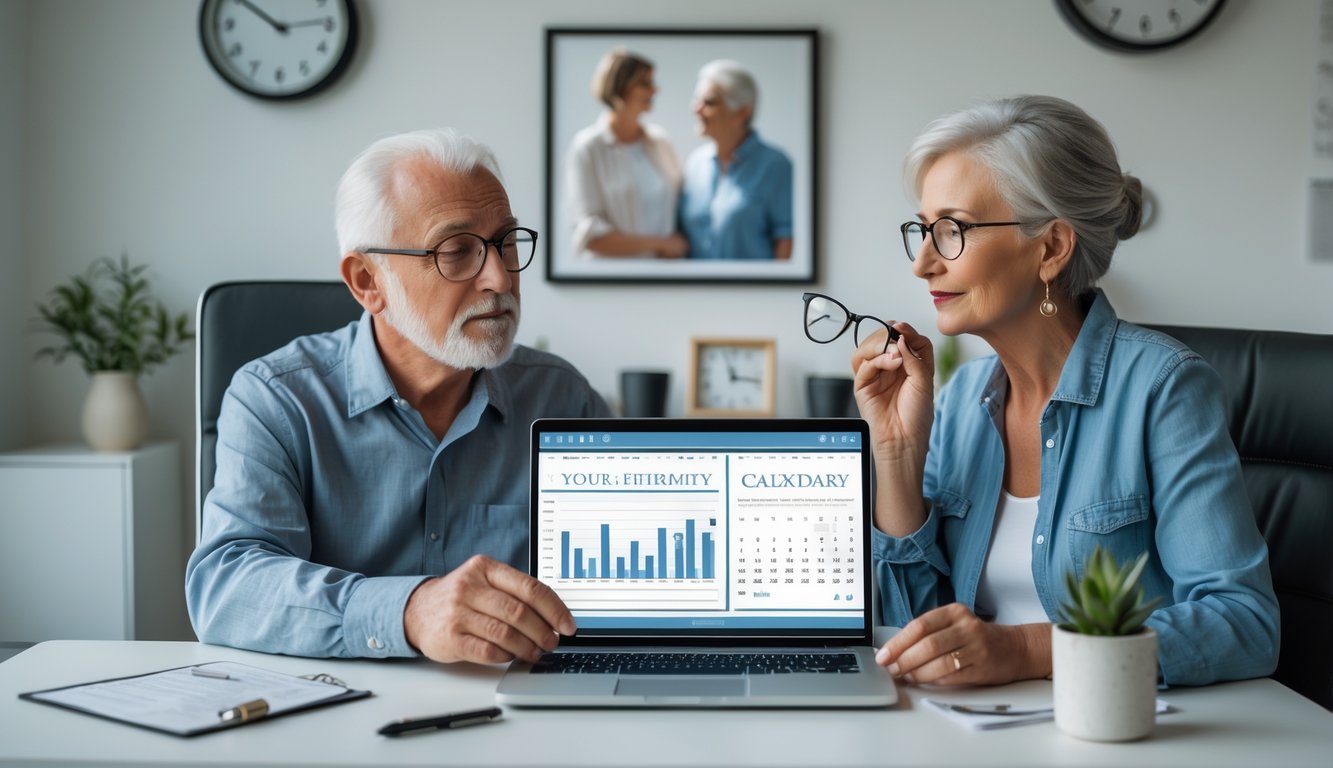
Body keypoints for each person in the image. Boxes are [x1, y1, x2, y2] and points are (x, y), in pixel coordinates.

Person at [855, 95, 1279, 688]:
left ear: (1051, 247)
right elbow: (916, 633)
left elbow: (1244, 624)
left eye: (951, 231)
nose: (923, 262)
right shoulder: (958, 398)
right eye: (922, 231)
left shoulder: (1163, 388)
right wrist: (897, 455)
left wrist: (1026, 650)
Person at [186, 129, 612, 665]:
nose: (500, 277)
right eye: (458, 251)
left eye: (506, 242)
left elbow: (618, 592)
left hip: (516, 716)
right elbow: (225, 590)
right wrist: (408, 611)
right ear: (368, 280)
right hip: (335, 720)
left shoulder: (563, 398)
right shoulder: (275, 400)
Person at [565, 49, 687, 260]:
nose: (654, 90)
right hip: (615, 281)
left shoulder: (660, 142)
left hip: (665, 276)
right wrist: (661, 244)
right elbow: (589, 234)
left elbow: (679, 208)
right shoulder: (588, 147)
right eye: (645, 83)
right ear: (620, 88)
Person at [679, 59, 793, 261]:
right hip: (696, 291)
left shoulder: (775, 165)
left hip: (752, 291)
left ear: (741, 112)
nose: (696, 109)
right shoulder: (695, 164)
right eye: (697, 100)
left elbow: (785, 239)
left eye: (709, 102)